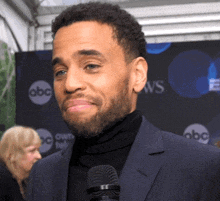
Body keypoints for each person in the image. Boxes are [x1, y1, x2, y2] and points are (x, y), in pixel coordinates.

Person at [27, 2, 220, 201]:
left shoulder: (203, 168)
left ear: (137, 75)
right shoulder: (43, 175)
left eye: (91, 65)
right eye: (61, 71)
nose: (70, 83)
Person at [0, 125, 42, 200]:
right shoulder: (2, 180)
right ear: (12, 153)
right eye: (32, 151)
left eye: (38, 150)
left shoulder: (27, 181)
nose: (39, 156)